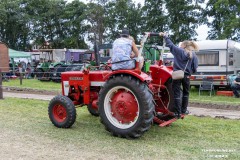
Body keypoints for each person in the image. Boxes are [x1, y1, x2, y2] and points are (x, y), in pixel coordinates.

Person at [160, 32, 199, 118]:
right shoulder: (194, 55)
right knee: (186, 93)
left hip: (177, 75)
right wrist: (188, 73)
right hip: (187, 76)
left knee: (176, 93)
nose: (180, 46)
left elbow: (170, 44)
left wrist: (165, 36)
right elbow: (195, 68)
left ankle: (177, 113)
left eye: (181, 44)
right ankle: (184, 110)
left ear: (184, 45)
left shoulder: (179, 51)